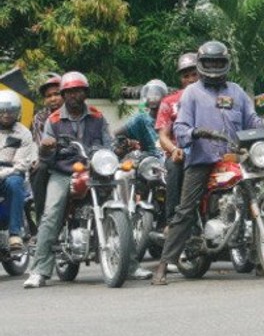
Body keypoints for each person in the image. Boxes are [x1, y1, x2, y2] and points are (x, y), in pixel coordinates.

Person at [24, 72, 152, 288]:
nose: (75, 95)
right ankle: (39, 270)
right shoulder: (53, 121)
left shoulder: (97, 116)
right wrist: (46, 148)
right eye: (70, 91)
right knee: (51, 213)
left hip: (95, 169)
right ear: (64, 94)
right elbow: (46, 157)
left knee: (123, 210)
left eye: (79, 90)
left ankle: (130, 266)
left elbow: (108, 143)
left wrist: (116, 149)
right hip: (64, 171)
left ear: (85, 93)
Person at [151, 41, 262, 285]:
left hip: (233, 156)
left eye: (218, 62)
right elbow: (179, 126)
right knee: (186, 209)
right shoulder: (191, 93)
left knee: (255, 195)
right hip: (201, 159)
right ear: (202, 64)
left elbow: (252, 119)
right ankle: (164, 264)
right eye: (209, 62)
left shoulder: (236, 92)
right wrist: (193, 133)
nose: (213, 67)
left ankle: (258, 256)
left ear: (226, 64)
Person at [155, 52, 199, 222]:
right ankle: (172, 222)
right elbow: (163, 136)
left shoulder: (215, 96)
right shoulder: (170, 102)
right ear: (181, 79)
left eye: (194, 74)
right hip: (181, 154)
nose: (191, 79)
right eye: (186, 76)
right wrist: (174, 149)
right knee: (174, 167)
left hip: (209, 152)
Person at [0, 91, 37, 250]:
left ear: (18, 112)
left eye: (11, 110)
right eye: (2, 109)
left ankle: (15, 233)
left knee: (15, 182)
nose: (7, 114)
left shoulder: (23, 133)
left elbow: (21, 165)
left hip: (11, 175)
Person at [30, 74, 63, 229]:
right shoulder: (40, 117)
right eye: (48, 96)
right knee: (38, 169)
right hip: (49, 160)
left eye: (56, 94)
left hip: (75, 159)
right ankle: (42, 224)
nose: (53, 99)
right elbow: (39, 144)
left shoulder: (78, 112)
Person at [115, 79, 168, 157]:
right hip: (148, 163)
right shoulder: (141, 119)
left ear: (163, 97)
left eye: (156, 94)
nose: (152, 98)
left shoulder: (170, 119)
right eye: (150, 95)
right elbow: (116, 134)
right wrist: (128, 142)